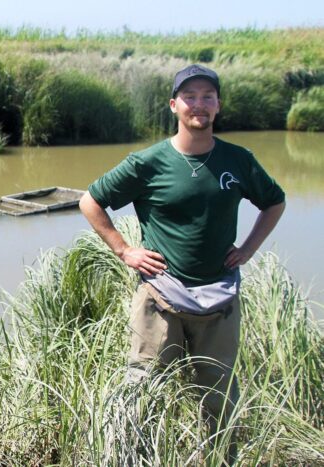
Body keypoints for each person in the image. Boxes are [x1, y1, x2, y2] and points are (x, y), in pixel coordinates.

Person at [79, 64, 285, 463]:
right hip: (160, 297)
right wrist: (125, 250)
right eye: (190, 97)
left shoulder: (238, 161)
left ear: (219, 105)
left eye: (208, 96)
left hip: (219, 300)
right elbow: (90, 201)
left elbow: (274, 201)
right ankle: (134, 457)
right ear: (174, 105)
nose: (199, 104)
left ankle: (221, 458)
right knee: (143, 390)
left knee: (219, 395)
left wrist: (248, 248)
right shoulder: (147, 162)